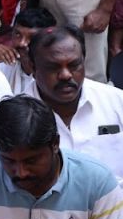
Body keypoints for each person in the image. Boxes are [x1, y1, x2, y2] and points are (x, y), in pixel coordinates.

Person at [0, 95, 123, 219]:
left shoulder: (97, 180)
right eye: (8, 160)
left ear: (55, 144)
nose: (21, 172)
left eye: (31, 161)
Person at [23, 25, 123, 182]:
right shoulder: (15, 115)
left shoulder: (116, 101)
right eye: (53, 67)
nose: (65, 75)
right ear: (33, 67)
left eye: (74, 65)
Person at [0, 7, 57, 94]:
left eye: (32, 37)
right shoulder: (3, 68)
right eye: (18, 35)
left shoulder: (57, 75)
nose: (22, 43)